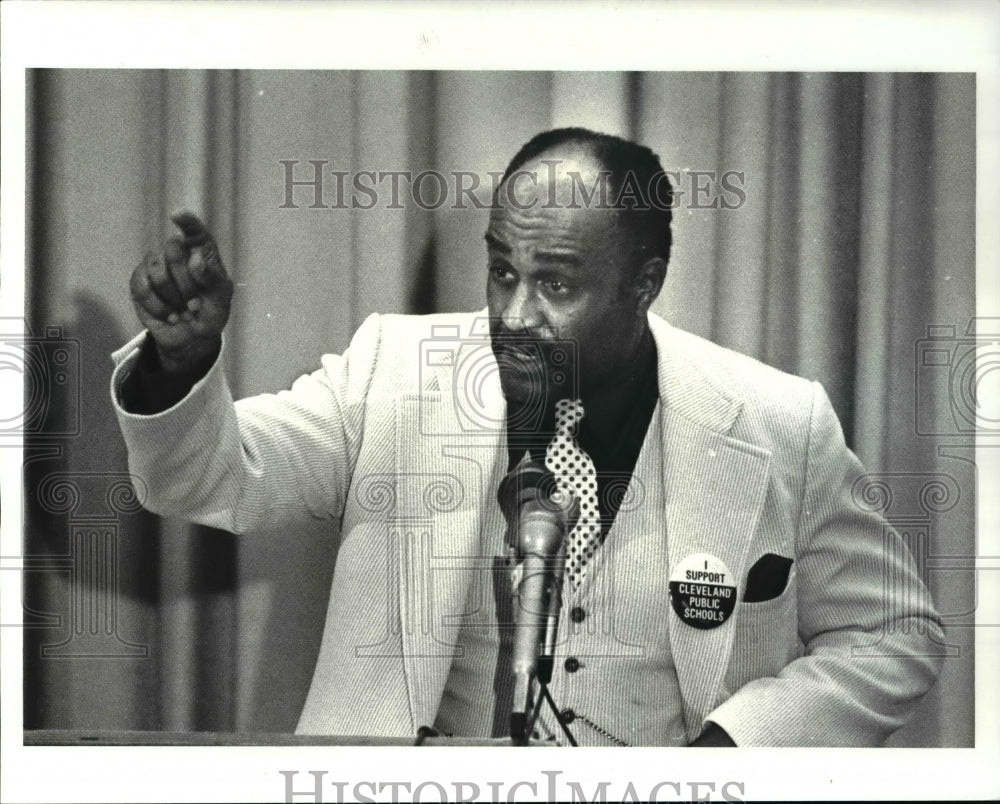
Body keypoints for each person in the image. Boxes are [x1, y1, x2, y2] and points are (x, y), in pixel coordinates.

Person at [110, 127, 943, 747]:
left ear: (644, 283)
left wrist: (740, 743)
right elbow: (217, 477)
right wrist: (179, 364)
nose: (512, 316)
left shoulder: (778, 421)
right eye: (502, 270)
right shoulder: (392, 372)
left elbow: (896, 632)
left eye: (556, 284)